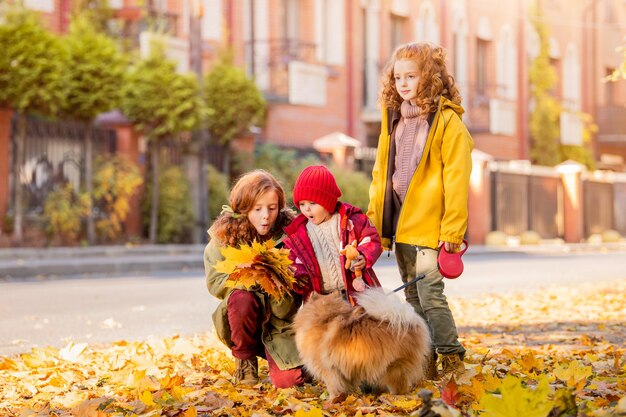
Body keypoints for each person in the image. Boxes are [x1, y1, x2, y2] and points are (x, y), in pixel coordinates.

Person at [367, 42, 474, 381]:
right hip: (401, 226)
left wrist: (453, 232)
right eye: (398, 77)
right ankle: (426, 358)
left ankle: (452, 357)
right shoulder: (393, 120)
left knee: (430, 295)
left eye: (411, 76)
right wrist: (375, 226)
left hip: (431, 227)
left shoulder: (445, 122)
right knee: (412, 295)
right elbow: (379, 176)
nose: (403, 83)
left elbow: (456, 179)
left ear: (429, 77)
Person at [204, 169, 306, 388]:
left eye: (272, 208)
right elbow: (215, 282)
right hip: (243, 320)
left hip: (280, 324)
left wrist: (275, 281)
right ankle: (245, 361)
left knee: (290, 382)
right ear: (243, 209)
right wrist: (250, 279)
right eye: (257, 209)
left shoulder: (292, 234)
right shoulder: (225, 236)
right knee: (242, 298)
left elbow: (287, 308)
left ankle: (283, 359)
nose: (266, 216)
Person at [284, 165, 382, 305]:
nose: (307, 209)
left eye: (313, 203)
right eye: (302, 204)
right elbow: (295, 262)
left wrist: (363, 255)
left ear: (328, 203)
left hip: (355, 294)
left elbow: (371, 239)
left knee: (360, 325)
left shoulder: (351, 221)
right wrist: (297, 277)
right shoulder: (299, 235)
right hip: (322, 299)